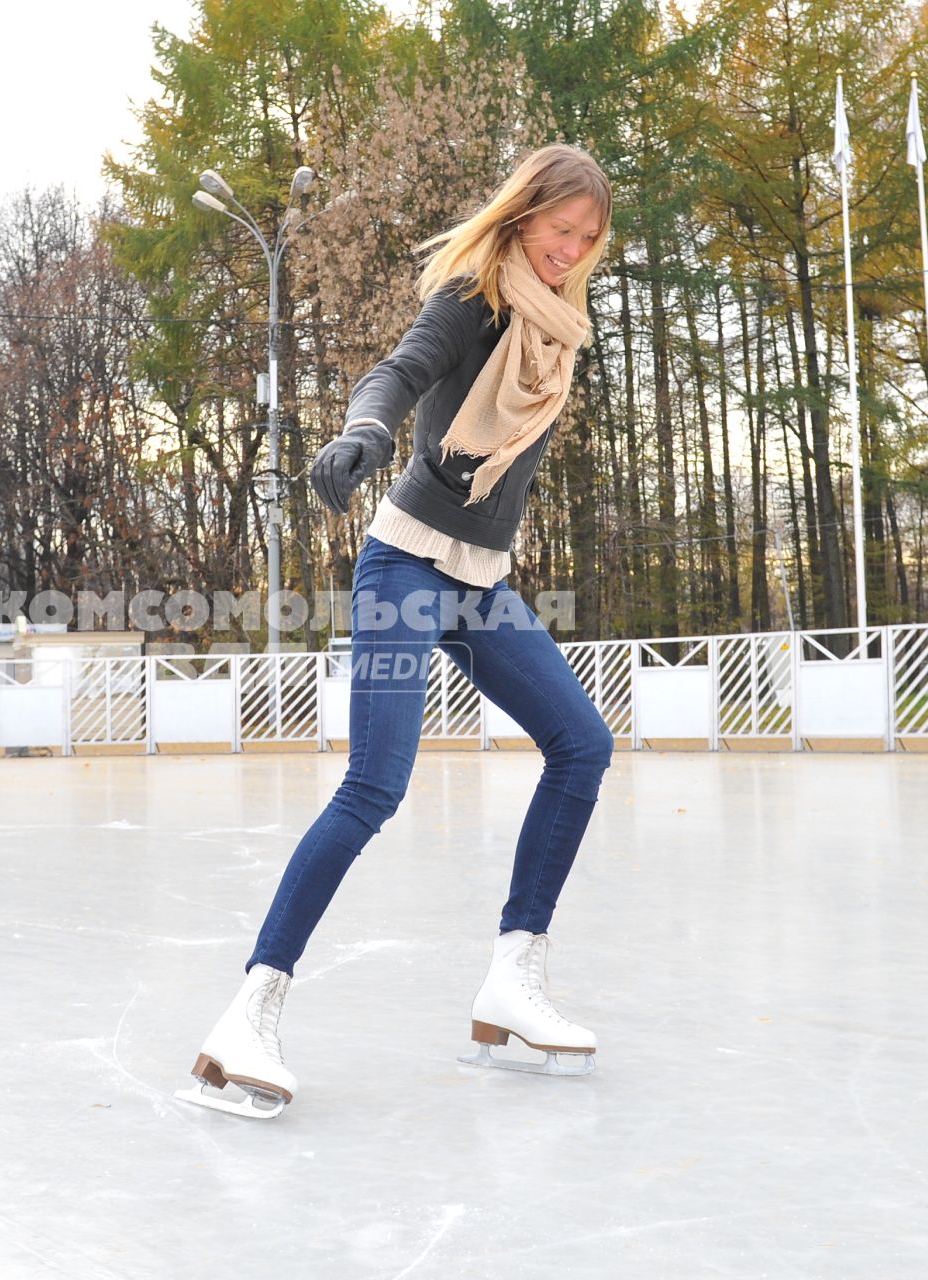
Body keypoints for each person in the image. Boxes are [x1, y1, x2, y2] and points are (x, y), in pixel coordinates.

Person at [179, 144, 616, 1120]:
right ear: (522, 216)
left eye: (587, 239)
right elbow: (397, 371)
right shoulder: (476, 297)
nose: (571, 250)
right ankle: (248, 1010)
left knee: (581, 744)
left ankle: (512, 975)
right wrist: (365, 434)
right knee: (375, 782)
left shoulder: (559, 329)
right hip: (406, 565)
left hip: (479, 583)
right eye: (560, 230)